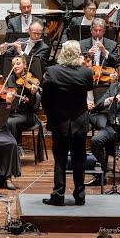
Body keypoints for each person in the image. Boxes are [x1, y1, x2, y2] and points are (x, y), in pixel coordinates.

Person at [42, 40, 94, 206]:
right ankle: (80, 195)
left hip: (59, 122)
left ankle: (58, 195)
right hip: (79, 121)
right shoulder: (86, 73)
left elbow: (45, 100)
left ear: (62, 54)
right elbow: (88, 88)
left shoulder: (51, 72)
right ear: (78, 55)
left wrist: (51, 117)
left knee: (60, 159)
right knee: (79, 159)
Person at [90, 63, 120, 190]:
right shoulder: (113, 87)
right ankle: (103, 171)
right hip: (111, 126)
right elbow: (98, 105)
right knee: (95, 141)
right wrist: (110, 99)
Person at [6, 55, 42, 150]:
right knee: (3, 120)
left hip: (27, 115)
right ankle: (4, 151)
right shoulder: (10, 79)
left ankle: (14, 150)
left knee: (10, 122)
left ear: (25, 65)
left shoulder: (30, 79)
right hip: (13, 113)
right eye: (13, 64)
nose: (15, 66)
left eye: (18, 63)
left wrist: (33, 94)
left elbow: (33, 106)